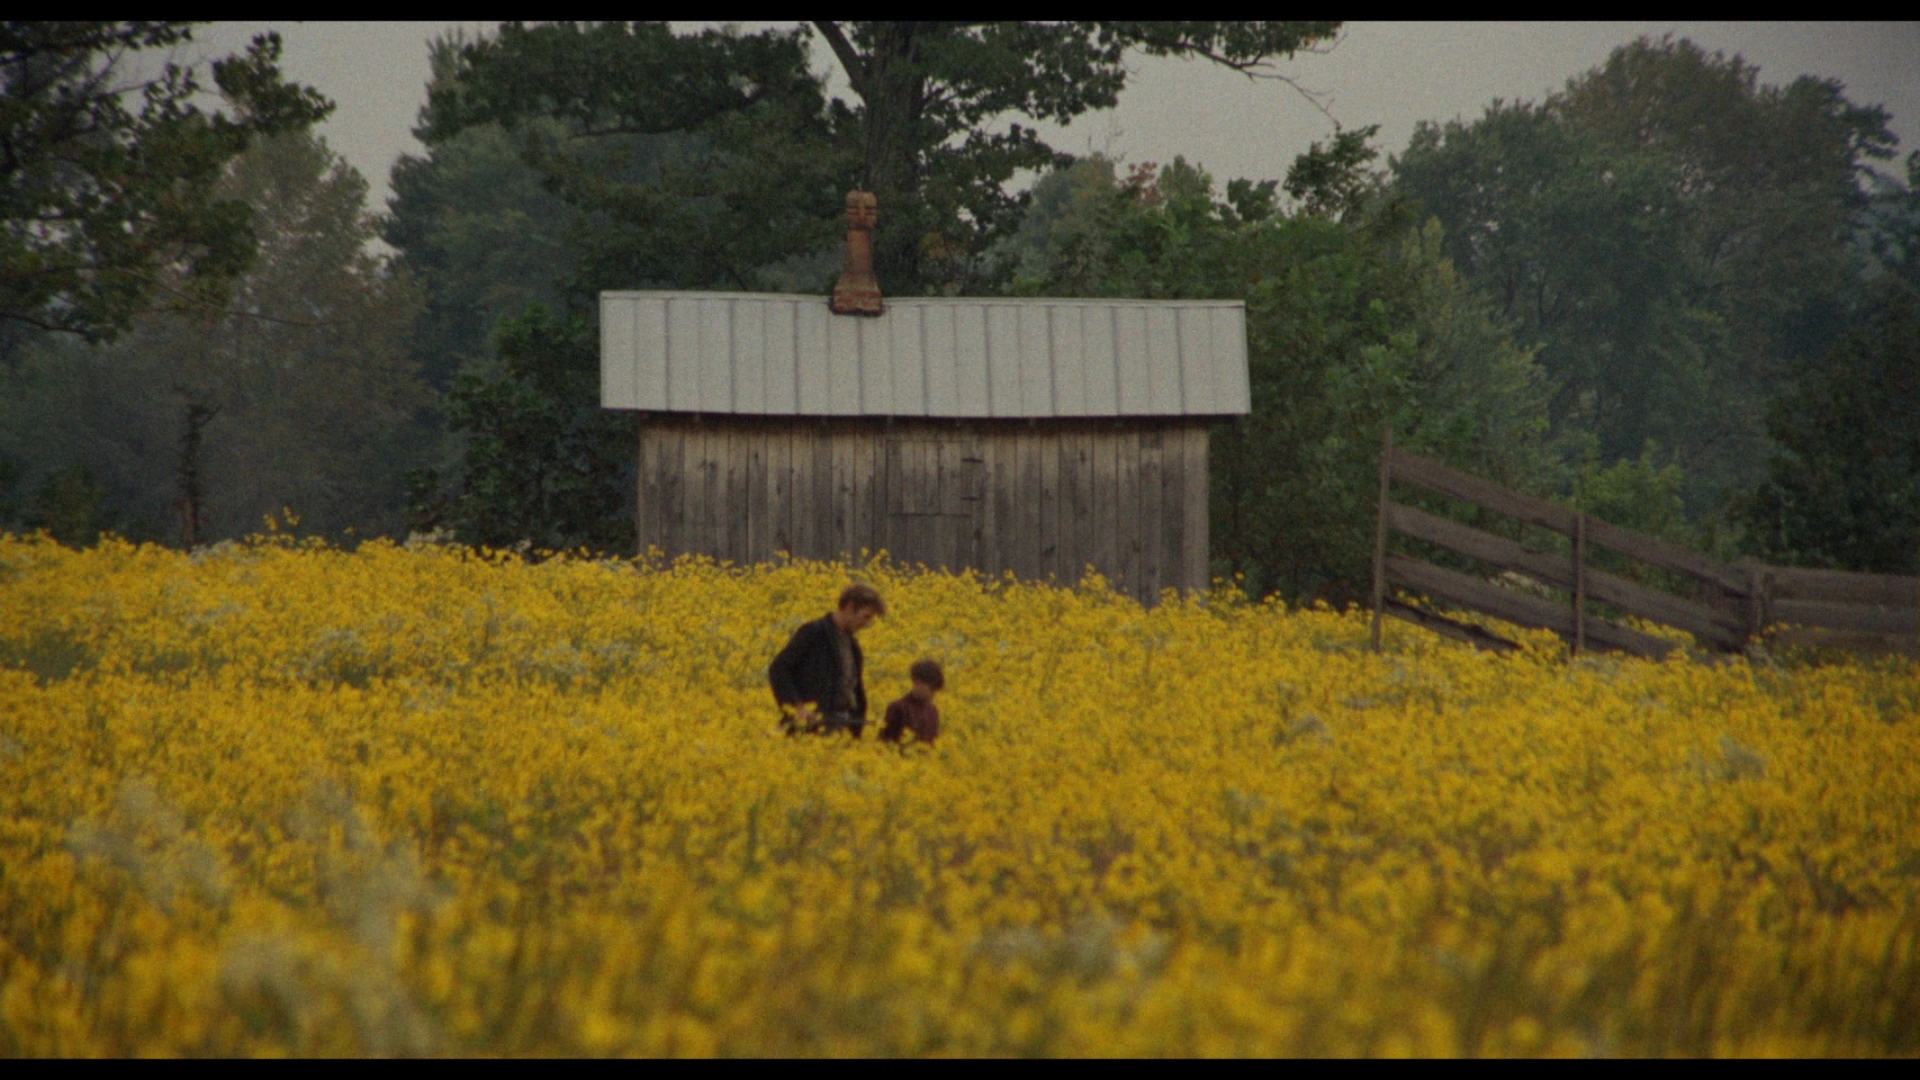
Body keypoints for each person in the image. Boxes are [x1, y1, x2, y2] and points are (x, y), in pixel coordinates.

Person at [767, 583, 887, 737]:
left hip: (841, 729)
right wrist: (797, 707)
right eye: (866, 616)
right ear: (850, 608)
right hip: (810, 730)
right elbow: (779, 669)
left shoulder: (853, 646)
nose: (866, 624)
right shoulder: (815, 632)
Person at [880, 658, 944, 747]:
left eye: (936, 690)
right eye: (931, 689)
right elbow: (885, 744)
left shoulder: (933, 711)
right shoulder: (898, 707)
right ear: (916, 682)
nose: (933, 694)